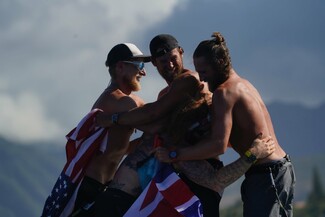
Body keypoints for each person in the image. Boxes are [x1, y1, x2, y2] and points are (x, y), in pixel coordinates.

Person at [95, 34, 275, 217]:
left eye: (173, 58)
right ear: (155, 64)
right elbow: (153, 131)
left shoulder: (190, 80)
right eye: (163, 61)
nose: (170, 65)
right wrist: (113, 148)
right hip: (177, 176)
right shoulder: (165, 93)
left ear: (181, 53)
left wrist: (114, 119)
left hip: (200, 172)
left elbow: (153, 114)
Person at [155, 32, 296, 217]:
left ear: (220, 63)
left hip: (266, 173)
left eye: (204, 72)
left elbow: (218, 145)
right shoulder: (243, 84)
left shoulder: (224, 93)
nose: (202, 79)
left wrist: (174, 154)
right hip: (276, 170)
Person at [70, 43, 151, 217]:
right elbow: (158, 124)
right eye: (140, 66)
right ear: (120, 67)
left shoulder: (116, 99)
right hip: (91, 187)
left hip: (95, 185)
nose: (143, 72)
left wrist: (144, 142)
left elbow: (115, 149)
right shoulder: (122, 102)